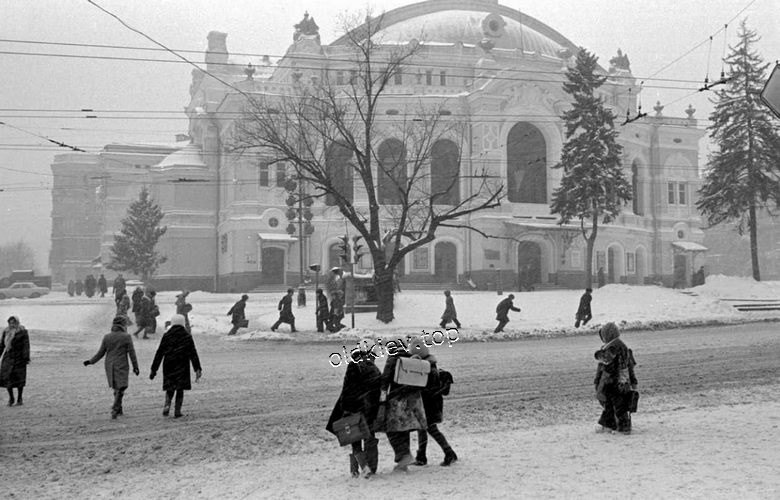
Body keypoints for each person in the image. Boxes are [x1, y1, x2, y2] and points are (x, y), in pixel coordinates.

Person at [325, 347, 382, 478]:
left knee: (354, 438)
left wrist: (346, 408)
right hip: (368, 408)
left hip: (354, 406)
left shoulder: (354, 366)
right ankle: (367, 468)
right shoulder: (373, 369)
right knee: (369, 437)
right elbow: (377, 390)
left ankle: (359, 469)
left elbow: (348, 389)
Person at [379, 341, 428, 472]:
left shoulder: (392, 360)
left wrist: (382, 400)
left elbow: (384, 382)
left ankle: (403, 456)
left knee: (391, 430)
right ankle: (404, 460)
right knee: (404, 429)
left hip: (396, 399)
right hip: (411, 400)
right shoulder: (410, 358)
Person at [409, 341, 458, 467]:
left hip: (429, 404)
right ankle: (421, 456)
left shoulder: (428, 368)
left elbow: (427, 389)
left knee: (430, 428)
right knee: (422, 428)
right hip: (430, 402)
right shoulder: (430, 365)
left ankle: (449, 453)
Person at [83, 316, 139, 419]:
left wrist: (91, 361)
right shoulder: (126, 337)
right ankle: (115, 408)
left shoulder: (107, 337)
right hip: (121, 364)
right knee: (121, 387)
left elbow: (101, 352)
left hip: (109, 364)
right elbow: (132, 353)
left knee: (116, 386)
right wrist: (135, 366)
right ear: (123, 325)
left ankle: (119, 409)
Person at [150, 314, 202, 418]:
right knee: (180, 388)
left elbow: (159, 353)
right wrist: (197, 368)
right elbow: (193, 353)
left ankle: (167, 405)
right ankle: (177, 411)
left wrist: (153, 369)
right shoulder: (187, 336)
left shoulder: (167, 336)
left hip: (169, 364)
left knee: (170, 386)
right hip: (182, 364)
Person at [593, 322, 638, 434]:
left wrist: (598, 354)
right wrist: (633, 381)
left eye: (603, 335)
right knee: (612, 404)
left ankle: (623, 427)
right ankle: (608, 425)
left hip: (614, 381)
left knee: (617, 405)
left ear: (608, 335)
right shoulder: (621, 346)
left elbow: (605, 359)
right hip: (622, 381)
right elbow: (630, 365)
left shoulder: (614, 347)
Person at [0, 316, 30, 406]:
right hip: (8, 358)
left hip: (19, 358)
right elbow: (2, 345)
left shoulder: (22, 332)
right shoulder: (6, 332)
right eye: (10, 323)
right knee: (7, 378)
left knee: (19, 379)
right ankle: (11, 398)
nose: (12, 325)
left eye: (13, 323)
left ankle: (19, 398)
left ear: (17, 323)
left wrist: (26, 358)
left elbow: (26, 345)